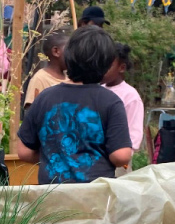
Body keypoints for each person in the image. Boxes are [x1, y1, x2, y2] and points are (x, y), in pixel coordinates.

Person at [16, 27, 133, 184]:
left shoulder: (45, 97)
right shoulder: (111, 101)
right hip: (94, 197)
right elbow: (121, 156)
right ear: (106, 64)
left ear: (69, 56)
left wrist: (54, 155)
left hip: (51, 197)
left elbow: (23, 152)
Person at [102, 43, 144, 150]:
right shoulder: (97, 90)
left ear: (121, 68)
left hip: (118, 158)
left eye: (108, 66)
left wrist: (122, 157)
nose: (102, 69)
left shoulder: (130, 96)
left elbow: (134, 135)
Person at [23, 31, 69, 109]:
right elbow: (31, 111)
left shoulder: (69, 78)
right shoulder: (40, 79)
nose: (72, 54)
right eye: (69, 50)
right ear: (56, 51)